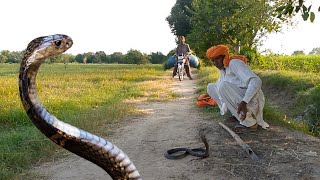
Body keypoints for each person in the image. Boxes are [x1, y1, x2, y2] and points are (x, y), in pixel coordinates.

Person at [204, 44, 269, 133]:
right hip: (240, 99)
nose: (215, 63)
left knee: (223, 87)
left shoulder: (234, 63)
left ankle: (251, 124)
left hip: (251, 100)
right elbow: (219, 89)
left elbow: (256, 81)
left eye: (217, 59)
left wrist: (244, 102)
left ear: (224, 57)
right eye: (213, 60)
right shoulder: (223, 70)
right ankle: (237, 115)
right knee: (211, 87)